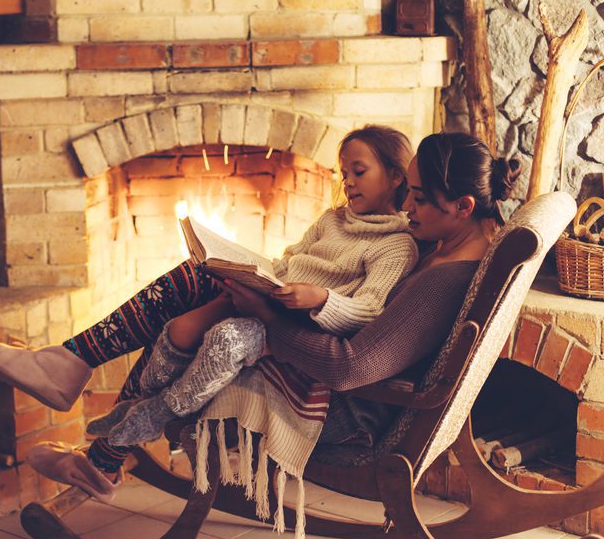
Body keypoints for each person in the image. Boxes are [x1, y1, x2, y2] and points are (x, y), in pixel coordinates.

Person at [0, 132, 520, 504]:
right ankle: (85, 410)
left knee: (199, 304)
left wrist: (267, 310)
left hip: (344, 413)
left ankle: (87, 412)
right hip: (321, 364)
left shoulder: (441, 277)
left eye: (420, 199)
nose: (407, 208)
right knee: (201, 285)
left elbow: (352, 368)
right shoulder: (452, 245)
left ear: (464, 206)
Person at [94, 126, 419, 447]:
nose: (347, 182)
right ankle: (140, 402)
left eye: (358, 172)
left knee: (227, 338)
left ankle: (160, 413)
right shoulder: (331, 221)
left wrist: (321, 299)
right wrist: (255, 273)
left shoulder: (396, 245)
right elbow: (290, 260)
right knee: (184, 317)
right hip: (274, 300)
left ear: (394, 176)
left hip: (305, 327)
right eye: (344, 173)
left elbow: (371, 310)